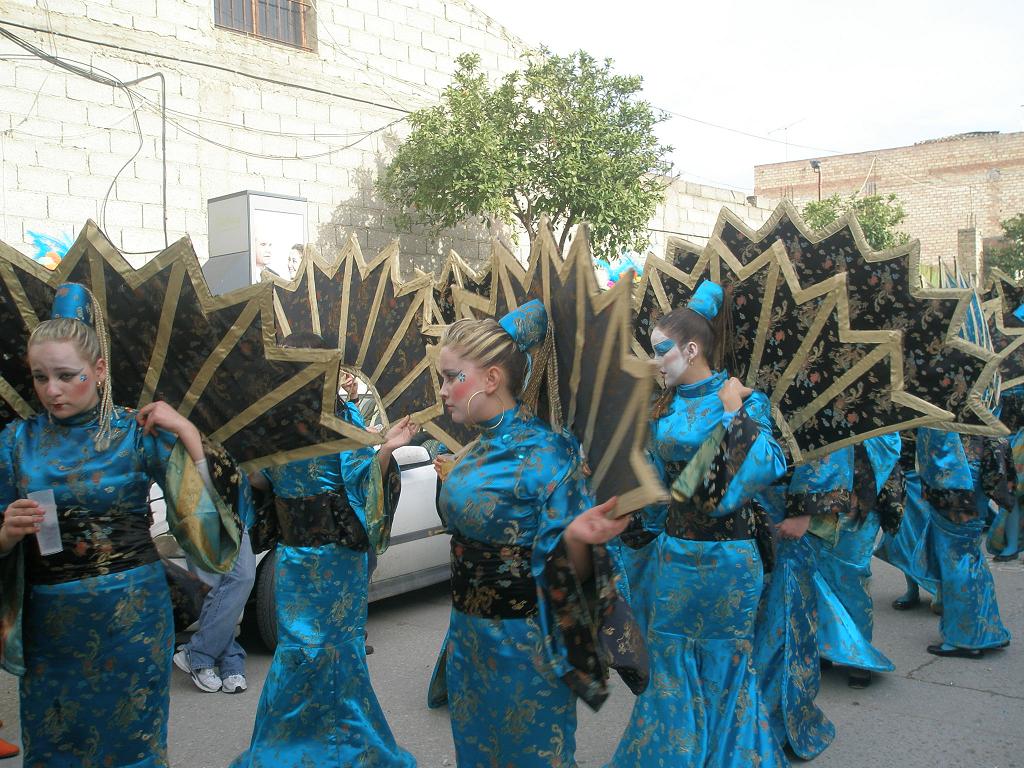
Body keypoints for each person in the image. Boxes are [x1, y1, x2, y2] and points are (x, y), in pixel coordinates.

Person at [0, 282, 242, 767]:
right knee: (54, 747)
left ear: (100, 370)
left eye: (68, 375)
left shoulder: (137, 433)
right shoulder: (15, 443)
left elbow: (210, 531)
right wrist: (6, 534)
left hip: (132, 618)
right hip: (53, 625)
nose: (52, 390)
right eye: (40, 376)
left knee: (133, 745)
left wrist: (190, 435)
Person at [429, 300, 646, 767]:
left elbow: (567, 570)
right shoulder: (473, 449)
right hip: (467, 639)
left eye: (452, 377)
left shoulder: (548, 454)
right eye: (442, 378)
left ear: (491, 379)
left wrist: (576, 539)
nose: (443, 390)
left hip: (526, 648)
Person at [606, 281, 788, 768]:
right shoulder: (662, 407)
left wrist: (733, 415)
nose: (655, 361)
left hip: (730, 556)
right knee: (668, 660)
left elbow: (768, 465)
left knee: (727, 661)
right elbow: (655, 489)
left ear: (691, 349)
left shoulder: (744, 398)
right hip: (675, 556)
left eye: (661, 351)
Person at [230, 331, 417, 768]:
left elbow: (361, 482)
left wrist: (385, 449)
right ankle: (288, 748)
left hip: (338, 558)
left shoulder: (344, 415)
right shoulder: (272, 422)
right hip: (295, 558)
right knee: (298, 651)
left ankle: (347, 749)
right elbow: (258, 483)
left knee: (338, 651)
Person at [808, 436, 904, 689]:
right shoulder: (825, 413)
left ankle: (859, 656)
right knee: (819, 579)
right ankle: (826, 647)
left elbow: (887, 457)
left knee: (852, 579)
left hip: (861, 511)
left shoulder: (883, 428)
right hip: (822, 510)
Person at [172, 526, 257, 693]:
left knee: (244, 577)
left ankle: (198, 653)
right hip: (198, 507)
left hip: (235, 511)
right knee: (211, 591)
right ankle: (230, 662)